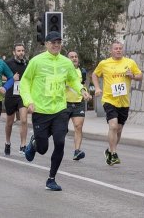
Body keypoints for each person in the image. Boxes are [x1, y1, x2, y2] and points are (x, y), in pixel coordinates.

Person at [20, 31, 91, 191]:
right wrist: (28, 101)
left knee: (60, 142)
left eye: (58, 42)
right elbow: (25, 82)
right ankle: (34, 142)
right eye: (53, 42)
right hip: (41, 110)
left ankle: (51, 179)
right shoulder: (36, 61)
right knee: (43, 148)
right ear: (46, 44)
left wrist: (82, 90)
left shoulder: (66, 63)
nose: (56, 45)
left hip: (60, 109)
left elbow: (73, 79)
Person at [92, 41, 142, 166]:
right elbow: (94, 74)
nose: (118, 50)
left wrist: (133, 76)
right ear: (111, 50)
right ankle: (114, 153)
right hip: (109, 99)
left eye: (120, 48)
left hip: (124, 101)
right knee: (113, 126)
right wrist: (97, 88)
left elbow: (140, 75)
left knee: (119, 130)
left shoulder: (130, 62)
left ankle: (109, 151)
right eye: (116, 48)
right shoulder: (104, 63)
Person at [4, 43, 29, 155]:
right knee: (9, 122)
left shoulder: (27, 63)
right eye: (18, 51)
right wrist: (11, 78)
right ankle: (7, 142)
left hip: (22, 95)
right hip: (10, 95)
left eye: (22, 50)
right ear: (14, 52)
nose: (21, 53)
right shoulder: (8, 63)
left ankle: (23, 145)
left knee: (24, 120)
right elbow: (0, 75)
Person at [66, 51, 87, 161]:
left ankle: (77, 151)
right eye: (71, 57)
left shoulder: (82, 72)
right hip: (64, 103)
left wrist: (86, 93)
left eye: (76, 57)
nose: (74, 59)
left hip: (78, 102)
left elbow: (82, 85)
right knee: (61, 129)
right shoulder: (63, 71)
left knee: (78, 126)